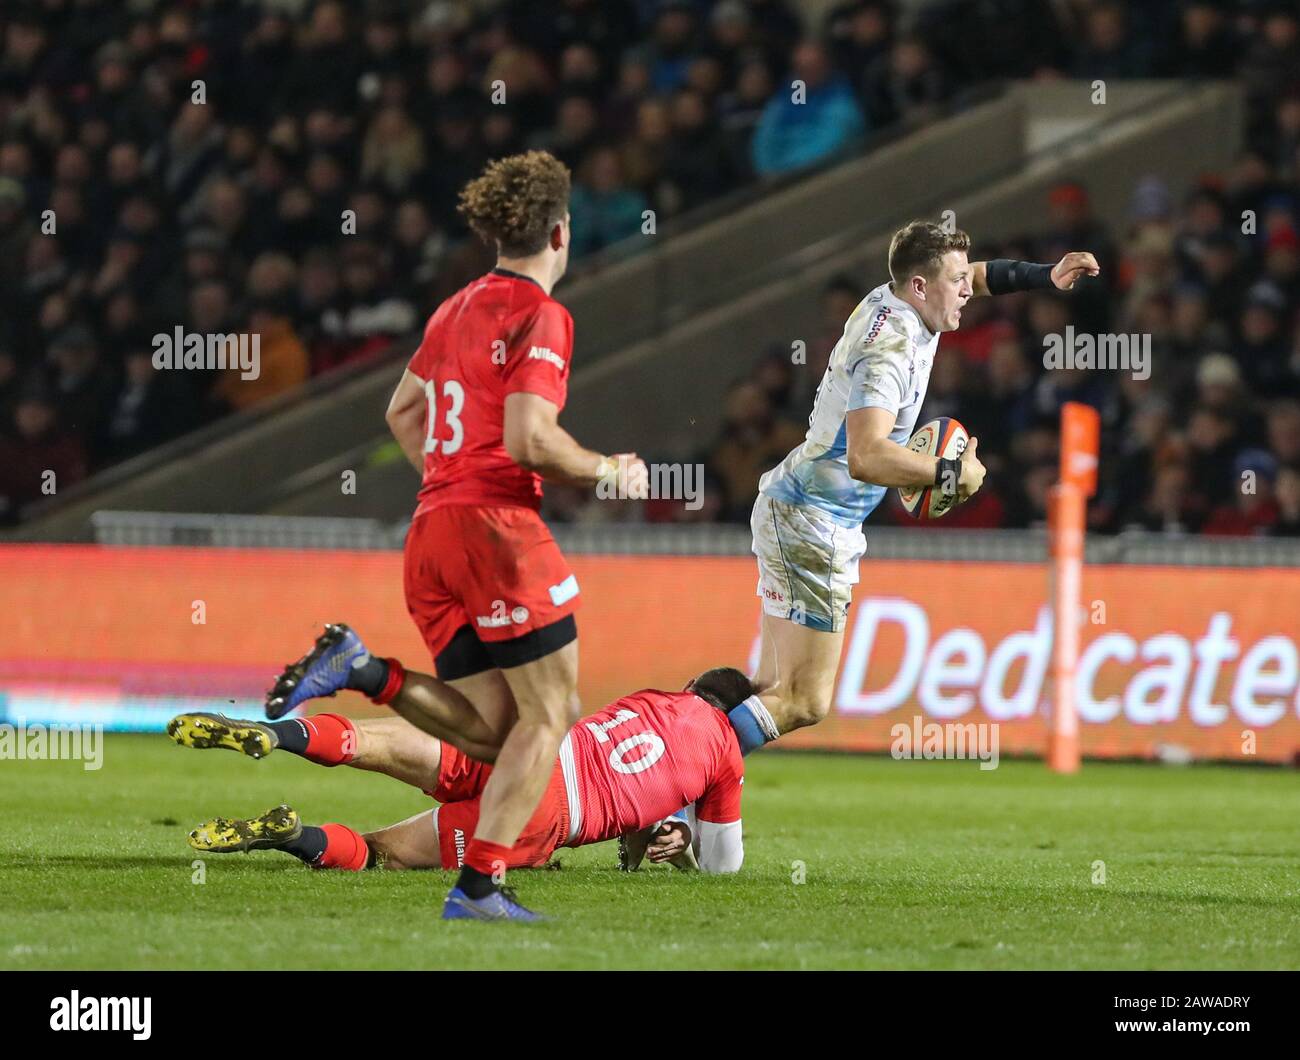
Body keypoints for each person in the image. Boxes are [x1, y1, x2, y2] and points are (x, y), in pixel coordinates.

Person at [266, 152, 646, 921]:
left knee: (490, 735)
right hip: (495, 529)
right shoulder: (543, 314)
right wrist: (610, 470)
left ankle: (365, 669)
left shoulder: (453, 308)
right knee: (551, 714)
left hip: (432, 531)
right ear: (562, 234)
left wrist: (449, 482)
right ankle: (480, 885)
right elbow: (531, 439)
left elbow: (402, 413)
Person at [729, 220, 1099, 752]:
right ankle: (679, 773)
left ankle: (689, 796)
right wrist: (955, 474)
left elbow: (977, 274)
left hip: (799, 510)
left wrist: (1046, 275)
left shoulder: (903, 294)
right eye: (956, 280)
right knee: (804, 700)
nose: (969, 289)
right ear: (921, 286)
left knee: (768, 689)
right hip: (813, 523)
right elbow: (867, 454)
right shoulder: (891, 348)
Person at [170, 664, 752, 878]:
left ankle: (273, 734)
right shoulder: (724, 754)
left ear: (692, 689)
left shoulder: (653, 697)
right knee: (382, 852)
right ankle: (291, 835)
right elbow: (725, 868)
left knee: (366, 740)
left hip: (524, 743)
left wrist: (648, 831)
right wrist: (686, 849)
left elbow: (630, 777)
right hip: (544, 813)